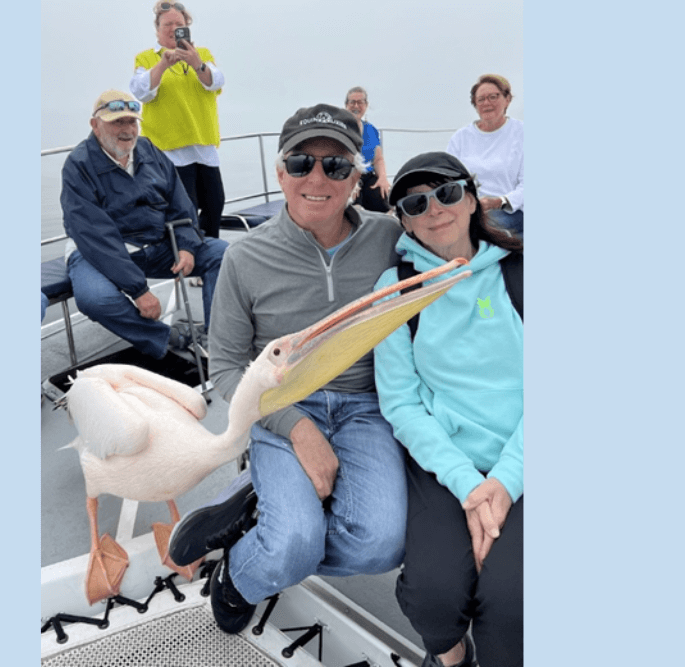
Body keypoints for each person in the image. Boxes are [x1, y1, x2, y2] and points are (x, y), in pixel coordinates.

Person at [168, 104, 406, 634]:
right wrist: (295, 428)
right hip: (281, 405)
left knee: (382, 543)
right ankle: (239, 577)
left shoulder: (388, 237)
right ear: (280, 174)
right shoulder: (245, 257)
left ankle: (262, 526)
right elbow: (227, 367)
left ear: (357, 177)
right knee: (294, 544)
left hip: (366, 406)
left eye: (336, 166)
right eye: (301, 164)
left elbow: (449, 254)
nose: (317, 178)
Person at [373, 152, 523, 667]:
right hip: (447, 461)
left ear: (472, 196)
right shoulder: (395, 292)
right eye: (416, 202)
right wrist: (469, 486)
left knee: (511, 607)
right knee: (434, 597)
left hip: (524, 454)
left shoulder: (523, 275)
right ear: (404, 220)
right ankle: (452, 657)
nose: (435, 209)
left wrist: (505, 483)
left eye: (448, 193)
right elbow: (400, 402)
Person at [60, 89, 228, 360]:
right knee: (95, 299)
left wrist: (186, 245)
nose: (127, 129)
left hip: (157, 244)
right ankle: (164, 337)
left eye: (132, 121)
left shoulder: (149, 149)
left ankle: (218, 338)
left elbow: (180, 204)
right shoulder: (78, 165)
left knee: (223, 253)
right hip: (101, 252)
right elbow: (95, 236)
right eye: (117, 122)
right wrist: (139, 290)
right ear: (95, 125)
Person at [130, 2, 226, 239]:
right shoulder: (146, 58)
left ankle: (210, 260)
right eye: (168, 24)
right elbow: (141, 91)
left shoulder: (202, 55)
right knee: (185, 212)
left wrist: (196, 63)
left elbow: (216, 81)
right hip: (168, 150)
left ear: (188, 27)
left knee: (215, 206)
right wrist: (163, 63)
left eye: (179, 24)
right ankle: (189, 264)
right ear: (157, 28)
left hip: (203, 146)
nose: (174, 29)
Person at [446, 74, 523, 237]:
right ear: (475, 104)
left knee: (476, 226)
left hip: (511, 210)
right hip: (469, 209)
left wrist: (499, 201)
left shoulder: (522, 133)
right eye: (480, 99)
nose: (487, 103)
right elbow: (448, 178)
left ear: (507, 99)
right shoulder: (461, 137)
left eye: (493, 97)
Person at [344, 86, 391, 213]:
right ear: (346, 105)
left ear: (366, 105)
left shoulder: (371, 130)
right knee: (355, 206)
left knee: (384, 199)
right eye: (352, 102)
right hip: (348, 175)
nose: (356, 106)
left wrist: (382, 178)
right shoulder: (340, 130)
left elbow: (378, 160)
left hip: (367, 176)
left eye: (360, 102)